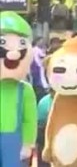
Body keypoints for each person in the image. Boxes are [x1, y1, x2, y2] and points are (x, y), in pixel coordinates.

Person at [0, 11, 38, 166]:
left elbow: (30, 120)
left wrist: (28, 143)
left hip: (14, 141)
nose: (13, 54)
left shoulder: (25, 90)